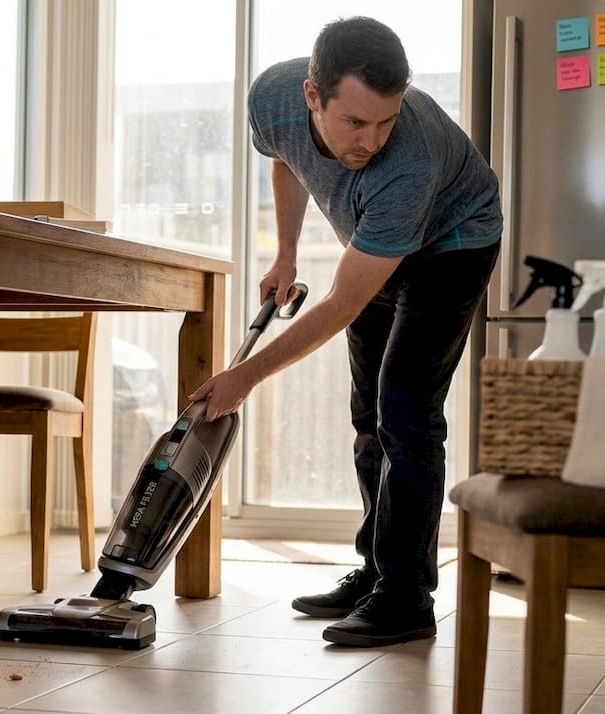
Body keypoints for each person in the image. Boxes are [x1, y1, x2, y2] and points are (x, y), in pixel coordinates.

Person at [188, 16, 501, 647]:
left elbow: (340, 306)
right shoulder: (272, 98)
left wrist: (244, 377)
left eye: (386, 120)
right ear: (312, 95)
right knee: (368, 414)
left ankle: (406, 597)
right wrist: (284, 255)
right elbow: (286, 158)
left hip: (454, 244)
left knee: (406, 410)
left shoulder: (406, 164)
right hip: (379, 242)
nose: (372, 140)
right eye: (355, 122)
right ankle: (375, 570)